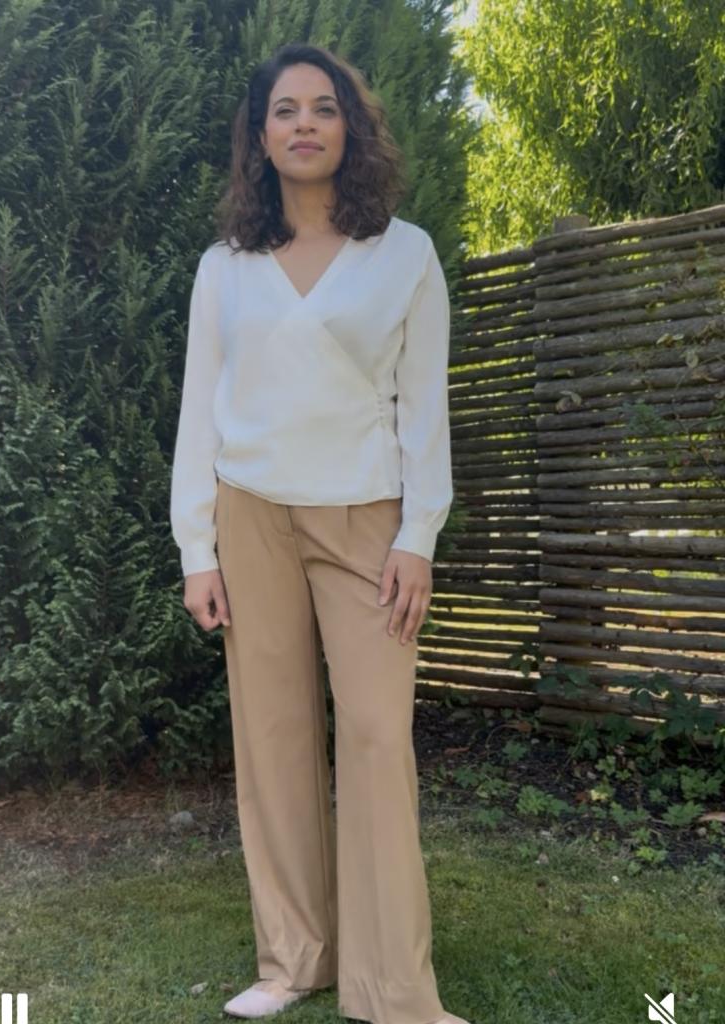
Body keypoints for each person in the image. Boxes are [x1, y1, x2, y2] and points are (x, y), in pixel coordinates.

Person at [170, 41, 468, 1024]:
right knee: (272, 736)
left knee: (378, 735)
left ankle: (395, 990)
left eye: (324, 107)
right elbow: (199, 412)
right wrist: (197, 549)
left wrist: (419, 533)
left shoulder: (406, 254)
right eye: (286, 110)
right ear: (260, 138)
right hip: (250, 514)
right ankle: (294, 958)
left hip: (366, 520)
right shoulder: (224, 268)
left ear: (351, 127)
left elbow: (424, 410)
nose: (305, 124)